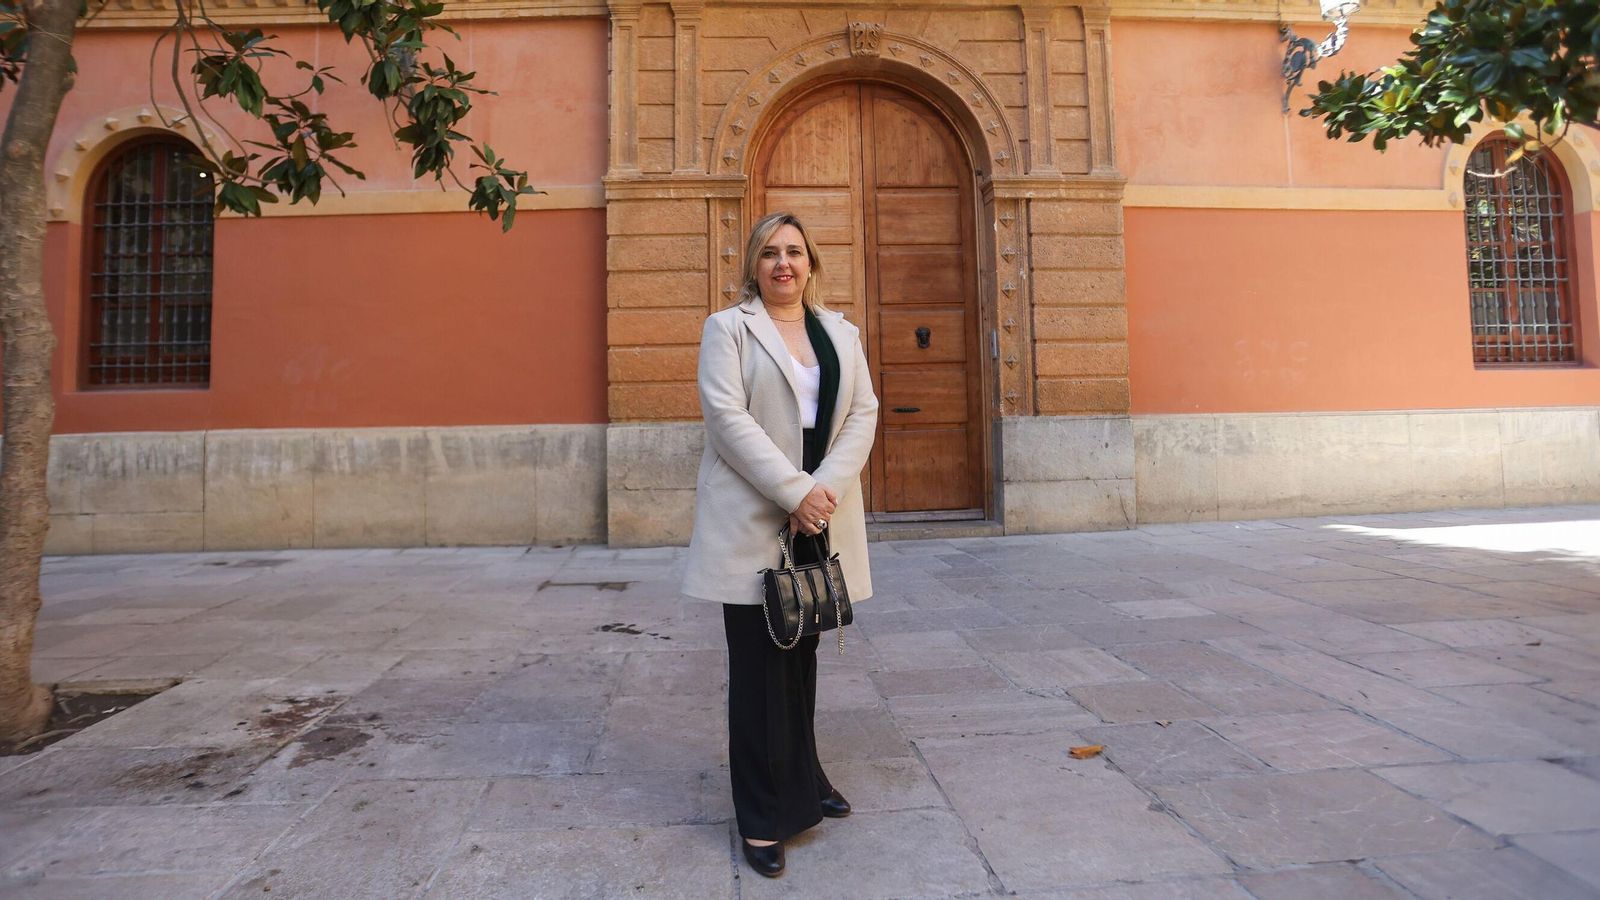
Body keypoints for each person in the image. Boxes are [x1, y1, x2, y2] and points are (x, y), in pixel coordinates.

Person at [681, 211, 879, 878]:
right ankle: (762, 818)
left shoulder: (839, 331)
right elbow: (726, 419)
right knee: (762, 672)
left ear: (812, 263)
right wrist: (795, 491)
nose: (783, 263)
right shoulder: (728, 330)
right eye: (770, 253)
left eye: (794, 251)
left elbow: (863, 412)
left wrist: (821, 490)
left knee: (803, 655)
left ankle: (806, 776)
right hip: (756, 521)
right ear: (753, 266)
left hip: (820, 520)